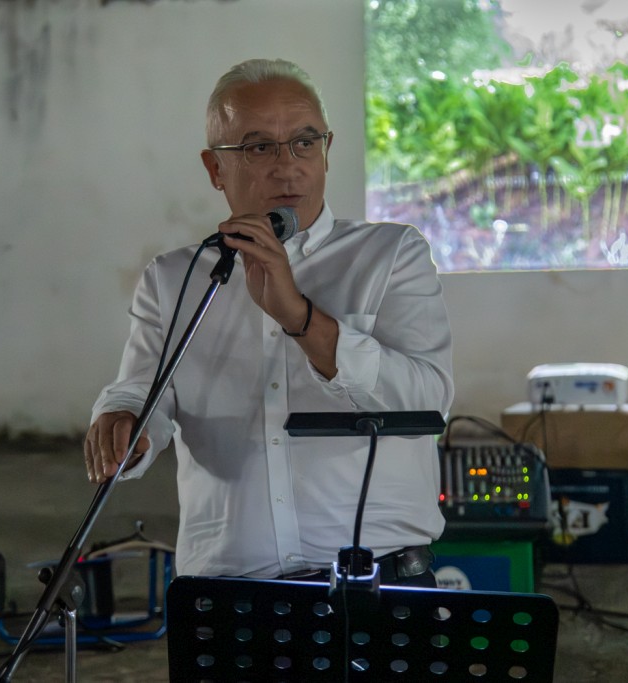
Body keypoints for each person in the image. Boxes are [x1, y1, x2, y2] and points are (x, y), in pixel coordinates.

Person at [84, 58, 453, 587]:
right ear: (215, 169)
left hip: (375, 583)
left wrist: (299, 317)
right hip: (227, 585)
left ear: (327, 150)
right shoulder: (175, 279)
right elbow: (143, 392)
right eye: (259, 148)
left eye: (304, 143)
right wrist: (123, 423)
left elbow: (429, 403)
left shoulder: (391, 255)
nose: (288, 167)